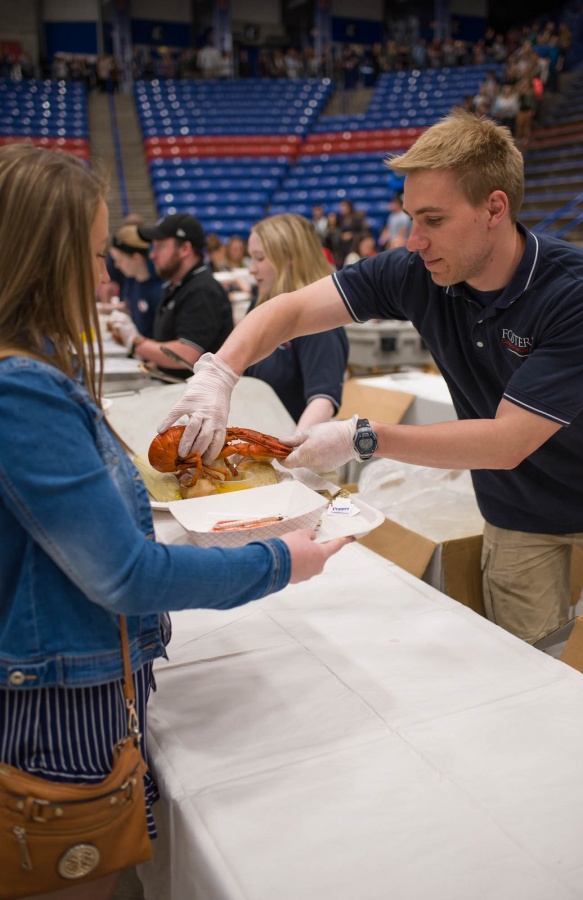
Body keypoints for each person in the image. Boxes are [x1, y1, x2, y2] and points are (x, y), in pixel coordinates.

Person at [0, 143, 350, 900]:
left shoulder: (31, 373)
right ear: (42, 255)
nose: (103, 278)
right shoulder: (20, 389)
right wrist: (282, 561)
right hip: (55, 708)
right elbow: (124, 572)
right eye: (93, 256)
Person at [156, 108, 583, 648]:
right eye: (410, 217)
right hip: (517, 508)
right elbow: (292, 310)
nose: (415, 239)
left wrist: (363, 437)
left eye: (434, 220)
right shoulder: (416, 273)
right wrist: (219, 372)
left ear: (495, 208)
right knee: (532, 662)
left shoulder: (578, 293)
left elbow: (508, 440)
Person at [244, 213, 349, 428]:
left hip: (286, 448)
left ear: (290, 259)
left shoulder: (320, 320)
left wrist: (289, 454)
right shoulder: (257, 307)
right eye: (251, 258)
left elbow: (322, 401)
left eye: (260, 258)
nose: (251, 269)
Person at [109, 213, 233, 380]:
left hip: (196, 397)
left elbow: (186, 354)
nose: (152, 255)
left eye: (160, 247)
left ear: (184, 249)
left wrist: (136, 342)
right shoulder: (177, 285)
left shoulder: (202, 290)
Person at [108, 224, 163, 337]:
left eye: (119, 260)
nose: (116, 265)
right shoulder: (132, 281)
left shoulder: (159, 291)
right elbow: (130, 305)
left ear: (136, 258)